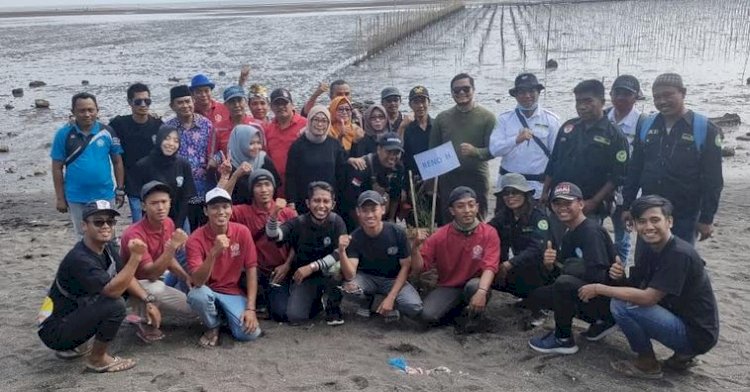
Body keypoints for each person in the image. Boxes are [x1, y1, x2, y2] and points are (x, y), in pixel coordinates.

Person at [578, 195, 719, 379]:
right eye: (642, 221)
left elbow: (647, 298)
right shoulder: (650, 248)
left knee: (620, 305)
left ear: (670, 222)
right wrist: (620, 277)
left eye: (655, 220)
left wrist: (598, 288)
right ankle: (682, 355)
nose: (649, 227)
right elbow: (636, 287)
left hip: (698, 334)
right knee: (626, 299)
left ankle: (647, 363)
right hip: (684, 320)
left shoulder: (679, 253)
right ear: (635, 225)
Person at [38, 200, 160, 373]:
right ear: (84, 226)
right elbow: (113, 291)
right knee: (115, 303)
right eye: (98, 222)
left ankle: (83, 343)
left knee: (124, 289)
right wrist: (135, 258)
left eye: (110, 222)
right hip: (55, 331)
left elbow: (124, 275)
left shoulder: (107, 246)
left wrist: (148, 300)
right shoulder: (79, 259)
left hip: (73, 314)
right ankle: (97, 359)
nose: (106, 226)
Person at [623, 73, 723, 245]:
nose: (662, 101)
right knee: (645, 262)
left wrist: (706, 219)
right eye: (657, 97)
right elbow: (635, 169)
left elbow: (713, 179)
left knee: (679, 262)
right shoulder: (647, 125)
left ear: (683, 93)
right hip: (649, 211)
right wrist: (627, 205)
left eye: (668, 95)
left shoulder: (704, 129)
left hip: (685, 214)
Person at [528, 182, 617, 355]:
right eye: (557, 204)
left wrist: (570, 270)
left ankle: (564, 338)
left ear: (581, 204)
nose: (562, 208)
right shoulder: (569, 232)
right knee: (539, 294)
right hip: (591, 292)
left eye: (568, 203)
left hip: (608, 297)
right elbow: (560, 269)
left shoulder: (591, 231)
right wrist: (550, 263)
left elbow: (599, 275)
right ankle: (598, 322)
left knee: (564, 283)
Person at [542, 79, 629, 243]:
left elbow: (618, 176)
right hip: (559, 200)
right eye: (578, 102)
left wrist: (594, 201)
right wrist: (545, 191)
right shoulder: (568, 127)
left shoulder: (614, 135)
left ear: (602, 102)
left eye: (588, 101)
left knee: (586, 246)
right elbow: (554, 161)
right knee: (553, 245)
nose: (582, 106)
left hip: (589, 204)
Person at [410, 186, 500, 326]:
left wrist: (482, 291)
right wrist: (415, 249)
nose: (467, 210)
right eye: (460, 206)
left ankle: (475, 316)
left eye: (471, 205)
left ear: (477, 207)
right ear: (452, 211)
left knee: (475, 287)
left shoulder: (489, 233)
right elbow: (420, 268)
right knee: (427, 315)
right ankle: (458, 311)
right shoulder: (439, 236)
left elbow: (490, 266)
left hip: (476, 284)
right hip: (449, 286)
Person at [185, 187, 261, 347]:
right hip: (207, 290)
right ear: (206, 211)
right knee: (197, 295)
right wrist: (213, 253)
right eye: (214, 207)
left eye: (225, 207)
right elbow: (198, 281)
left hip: (232, 291)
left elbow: (251, 269)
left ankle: (224, 315)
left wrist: (251, 309)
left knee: (249, 334)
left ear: (231, 209)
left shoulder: (242, 232)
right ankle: (213, 326)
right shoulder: (195, 239)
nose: (221, 211)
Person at [119, 181, 194, 342]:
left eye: (164, 202)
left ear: (170, 203)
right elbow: (151, 274)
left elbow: (169, 259)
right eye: (154, 203)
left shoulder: (168, 223)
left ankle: (147, 311)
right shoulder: (134, 234)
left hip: (150, 282)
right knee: (157, 287)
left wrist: (185, 276)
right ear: (143, 206)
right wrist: (173, 245)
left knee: (191, 309)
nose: (160, 207)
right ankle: (142, 320)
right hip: (129, 287)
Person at [265, 181, 347, 326]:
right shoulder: (298, 223)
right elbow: (274, 235)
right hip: (306, 278)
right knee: (295, 316)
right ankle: (316, 300)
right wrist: (274, 215)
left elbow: (338, 253)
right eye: (316, 200)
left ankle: (333, 307)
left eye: (326, 201)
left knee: (339, 268)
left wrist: (312, 267)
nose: (321, 206)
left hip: (326, 272)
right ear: (308, 203)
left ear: (333, 204)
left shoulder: (337, 222)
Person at [340, 191, 423, 321]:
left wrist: (391, 297)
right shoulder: (355, 237)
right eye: (365, 211)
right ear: (358, 212)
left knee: (414, 307)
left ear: (383, 209)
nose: (369, 215)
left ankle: (388, 304)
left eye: (374, 210)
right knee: (348, 289)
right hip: (367, 279)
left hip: (393, 279)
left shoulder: (397, 233)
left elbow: (406, 267)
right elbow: (350, 275)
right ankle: (367, 301)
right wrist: (341, 251)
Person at [51, 92, 125, 238]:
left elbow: (117, 162)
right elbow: (57, 168)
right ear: (73, 112)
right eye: (82, 110)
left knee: (107, 235)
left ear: (97, 110)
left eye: (91, 110)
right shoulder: (63, 134)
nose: (87, 114)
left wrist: (120, 189)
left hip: (104, 194)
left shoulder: (107, 132)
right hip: (76, 196)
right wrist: (60, 198)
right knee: (82, 235)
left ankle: (109, 261)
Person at [229, 170, 297, 321]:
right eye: (258, 185)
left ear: (273, 187)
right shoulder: (242, 212)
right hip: (254, 271)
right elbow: (221, 206)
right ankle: (256, 301)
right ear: (251, 190)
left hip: (280, 271)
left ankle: (269, 300)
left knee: (280, 313)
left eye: (267, 184)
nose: (264, 189)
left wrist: (287, 265)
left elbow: (297, 244)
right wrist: (234, 176)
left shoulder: (287, 213)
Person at [430, 73, 496, 222]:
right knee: (450, 223)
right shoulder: (442, 118)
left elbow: (494, 151)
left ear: (473, 89)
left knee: (477, 223)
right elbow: (433, 152)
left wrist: (476, 152)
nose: (461, 93)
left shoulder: (488, 117)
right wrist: (430, 181)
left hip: (477, 177)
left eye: (466, 89)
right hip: (449, 180)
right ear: (452, 93)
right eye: (456, 90)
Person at [488, 173, 551, 322]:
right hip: (515, 265)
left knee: (531, 268)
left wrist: (510, 263)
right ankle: (528, 298)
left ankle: (540, 308)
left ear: (525, 194)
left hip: (540, 269)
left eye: (515, 192)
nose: (510, 197)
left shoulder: (538, 217)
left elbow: (537, 249)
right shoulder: (505, 215)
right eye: (506, 193)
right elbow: (487, 230)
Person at [489, 73, 560, 202]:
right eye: (522, 92)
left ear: (538, 92)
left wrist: (548, 190)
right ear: (515, 95)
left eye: (532, 91)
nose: (527, 96)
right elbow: (494, 150)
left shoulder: (551, 120)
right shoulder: (504, 119)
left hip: (537, 189)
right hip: (509, 188)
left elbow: (556, 157)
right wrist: (516, 140)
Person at [605, 75, 645, 263]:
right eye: (617, 92)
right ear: (611, 94)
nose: (621, 97)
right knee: (591, 231)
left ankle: (619, 275)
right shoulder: (603, 117)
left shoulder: (643, 123)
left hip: (627, 191)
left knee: (622, 237)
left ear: (636, 96)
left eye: (627, 94)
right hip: (601, 188)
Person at [109, 83, 163, 222]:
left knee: (157, 220)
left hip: (155, 180)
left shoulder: (158, 125)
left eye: (147, 101)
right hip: (132, 183)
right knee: (139, 221)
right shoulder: (119, 124)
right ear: (129, 102)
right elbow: (102, 134)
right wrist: (119, 188)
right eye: (138, 101)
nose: (143, 104)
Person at [164, 85, 216, 230]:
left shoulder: (207, 125)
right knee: (184, 230)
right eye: (180, 102)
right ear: (172, 106)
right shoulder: (167, 128)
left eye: (188, 101)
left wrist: (214, 160)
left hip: (205, 186)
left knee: (206, 228)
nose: (185, 105)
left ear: (193, 101)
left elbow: (217, 150)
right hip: (180, 189)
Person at [285, 105, 348, 214]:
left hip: (328, 202)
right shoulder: (298, 146)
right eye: (316, 120)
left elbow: (341, 175)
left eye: (324, 121)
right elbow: (290, 176)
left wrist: (340, 201)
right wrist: (291, 202)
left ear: (328, 123)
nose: (320, 124)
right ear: (309, 121)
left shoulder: (334, 145)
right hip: (304, 202)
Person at [134, 125, 196, 231]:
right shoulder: (143, 165)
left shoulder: (183, 164)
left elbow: (187, 196)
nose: (171, 144)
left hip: (179, 218)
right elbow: (138, 197)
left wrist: (178, 225)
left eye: (176, 141)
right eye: (167, 139)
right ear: (158, 140)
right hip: (152, 220)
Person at [342, 132, 406, 229]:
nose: (392, 157)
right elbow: (350, 201)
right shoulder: (363, 166)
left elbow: (395, 196)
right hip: (358, 217)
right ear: (379, 150)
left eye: (396, 153)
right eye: (389, 152)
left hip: (382, 215)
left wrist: (391, 219)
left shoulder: (399, 168)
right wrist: (362, 227)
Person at [219, 124, 281, 205]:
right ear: (239, 143)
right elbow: (221, 198)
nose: (256, 147)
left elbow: (275, 189)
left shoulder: (264, 160)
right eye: (251, 143)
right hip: (236, 213)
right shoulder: (228, 166)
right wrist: (236, 175)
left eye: (258, 142)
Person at [264, 88, 307, 198]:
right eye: (277, 104)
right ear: (271, 107)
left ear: (292, 105)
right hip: (277, 187)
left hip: (301, 184)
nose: (281, 107)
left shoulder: (306, 125)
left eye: (284, 103)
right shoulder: (268, 129)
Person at [401, 86, 433, 227]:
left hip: (435, 181)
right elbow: (399, 156)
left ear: (429, 102)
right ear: (410, 105)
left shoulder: (438, 125)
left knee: (438, 222)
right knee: (417, 224)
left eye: (423, 101)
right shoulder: (408, 129)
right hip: (415, 182)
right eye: (416, 102)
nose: (420, 106)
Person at [213, 85, 262, 157]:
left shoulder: (257, 126)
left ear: (245, 102)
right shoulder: (218, 129)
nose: (236, 105)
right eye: (232, 102)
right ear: (225, 105)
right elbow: (212, 156)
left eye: (239, 100)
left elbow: (264, 153)